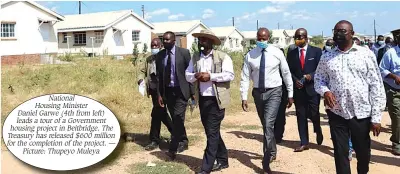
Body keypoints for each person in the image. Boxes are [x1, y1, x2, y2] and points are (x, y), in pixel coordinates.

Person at [314, 20, 386, 174]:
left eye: (342, 31)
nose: (338, 34)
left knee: (363, 153)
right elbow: (319, 79)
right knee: (340, 153)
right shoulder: (327, 57)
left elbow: (376, 85)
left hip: (361, 113)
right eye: (336, 31)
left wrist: (376, 117)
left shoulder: (365, 54)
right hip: (337, 112)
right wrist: (325, 91)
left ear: (352, 34)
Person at [240, 27, 294, 174]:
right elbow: (245, 77)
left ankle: (266, 157)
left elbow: (286, 73)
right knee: (265, 124)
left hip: (275, 92)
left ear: (268, 38)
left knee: (269, 123)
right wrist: (244, 97)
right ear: (256, 38)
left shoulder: (277, 53)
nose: (262, 41)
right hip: (258, 93)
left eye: (264, 38)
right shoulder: (250, 55)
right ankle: (273, 149)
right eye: (259, 38)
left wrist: (290, 93)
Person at [186, 29, 234, 174]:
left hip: (217, 100)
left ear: (211, 42)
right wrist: (196, 75)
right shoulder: (195, 57)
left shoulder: (223, 57)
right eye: (200, 39)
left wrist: (211, 76)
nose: (201, 42)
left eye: (204, 39)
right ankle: (223, 159)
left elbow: (229, 75)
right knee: (211, 131)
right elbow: (187, 75)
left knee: (211, 133)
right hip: (203, 99)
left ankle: (206, 167)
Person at [156, 31, 194, 160]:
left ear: (174, 41)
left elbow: (191, 74)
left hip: (181, 91)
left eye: (167, 40)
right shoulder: (160, 56)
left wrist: (192, 93)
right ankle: (183, 140)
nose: (165, 42)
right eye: (164, 40)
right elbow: (159, 78)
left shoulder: (184, 53)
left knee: (178, 117)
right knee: (176, 118)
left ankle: (173, 148)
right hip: (168, 92)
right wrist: (159, 95)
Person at [287, 28, 323, 152]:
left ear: (306, 38)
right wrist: (295, 80)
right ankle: (304, 142)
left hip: (312, 89)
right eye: (296, 37)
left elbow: (321, 68)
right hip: (299, 90)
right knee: (300, 115)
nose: (298, 39)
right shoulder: (291, 53)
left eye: (300, 37)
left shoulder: (316, 51)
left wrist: (310, 76)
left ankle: (318, 129)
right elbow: (288, 70)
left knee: (314, 113)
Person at [138, 38, 173, 151]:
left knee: (157, 113)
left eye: (156, 45)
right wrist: (140, 80)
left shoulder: (166, 56)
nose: (154, 48)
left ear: (161, 46)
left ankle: (156, 139)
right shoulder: (149, 58)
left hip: (165, 90)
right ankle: (174, 134)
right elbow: (141, 71)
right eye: (152, 46)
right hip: (153, 90)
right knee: (159, 112)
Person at [379, 28, 400, 156]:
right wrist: (394, 77)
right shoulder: (390, 53)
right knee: (397, 118)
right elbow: (382, 70)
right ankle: (397, 143)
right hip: (394, 90)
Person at [274, 48, 289, 145]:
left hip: (283, 94)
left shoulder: (286, 66)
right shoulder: (271, 65)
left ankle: (278, 135)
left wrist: (290, 96)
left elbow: (288, 81)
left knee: (280, 115)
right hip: (273, 93)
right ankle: (273, 135)